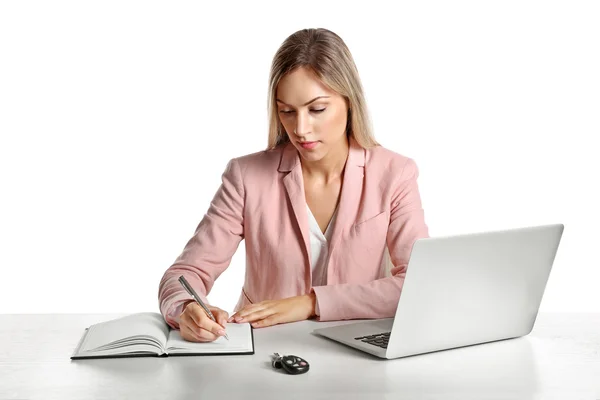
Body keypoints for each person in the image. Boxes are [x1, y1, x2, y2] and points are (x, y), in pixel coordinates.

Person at [158, 27, 430, 343]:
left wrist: (311, 303)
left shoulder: (395, 173)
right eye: (287, 111)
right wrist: (186, 306)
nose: (300, 129)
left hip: (356, 353)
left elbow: (418, 284)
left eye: (317, 109)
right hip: (265, 352)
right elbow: (183, 275)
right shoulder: (246, 176)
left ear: (349, 101)